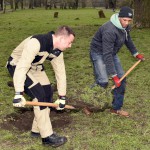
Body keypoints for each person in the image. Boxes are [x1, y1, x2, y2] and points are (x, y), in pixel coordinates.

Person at [6, 26, 75, 147]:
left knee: (48, 93)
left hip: (34, 67)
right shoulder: (37, 42)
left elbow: (61, 73)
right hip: (18, 65)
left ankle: (36, 130)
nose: (70, 46)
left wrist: (62, 96)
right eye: (69, 42)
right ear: (61, 38)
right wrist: (18, 93)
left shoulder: (57, 51)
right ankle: (47, 137)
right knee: (39, 96)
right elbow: (22, 67)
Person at [90, 6, 145, 117]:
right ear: (119, 17)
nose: (126, 23)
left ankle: (116, 108)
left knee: (122, 78)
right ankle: (88, 102)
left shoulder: (125, 27)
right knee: (103, 81)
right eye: (124, 20)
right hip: (99, 52)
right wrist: (114, 76)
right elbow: (107, 55)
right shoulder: (109, 30)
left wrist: (135, 53)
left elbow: (127, 39)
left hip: (111, 52)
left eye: (129, 21)